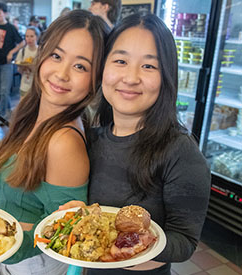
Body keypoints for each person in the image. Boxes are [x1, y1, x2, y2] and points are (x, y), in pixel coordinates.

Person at [0, 9, 109, 275]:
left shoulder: (64, 141)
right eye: (56, 56)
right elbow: (17, 181)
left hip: (35, 264)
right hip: (15, 257)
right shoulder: (31, 110)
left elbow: (62, 233)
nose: (62, 73)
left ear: (96, 80)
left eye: (80, 66)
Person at [59, 13, 211, 275]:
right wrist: (82, 216)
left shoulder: (180, 152)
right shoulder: (92, 138)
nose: (130, 78)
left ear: (166, 77)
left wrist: (123, 246)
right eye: (120, 61)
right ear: (103, 68)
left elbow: (185, 242)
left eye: (149, 66)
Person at [0, 2, 25, 120]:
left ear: (5, 13)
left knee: (4, 91)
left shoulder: (10, 28)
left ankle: (2, 115)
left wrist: (11, 52)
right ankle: (8, 111)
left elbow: (22, 42)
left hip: (7, 64)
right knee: (2, 91)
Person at [16, 26, 40, 98]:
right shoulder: (22, 51)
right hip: (24, 85)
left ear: (37, 37)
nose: (29, 39)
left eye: (32, 36)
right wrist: (22, 67)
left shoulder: (41, 51)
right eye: (27, 36)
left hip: (37, 87)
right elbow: (19, 70)